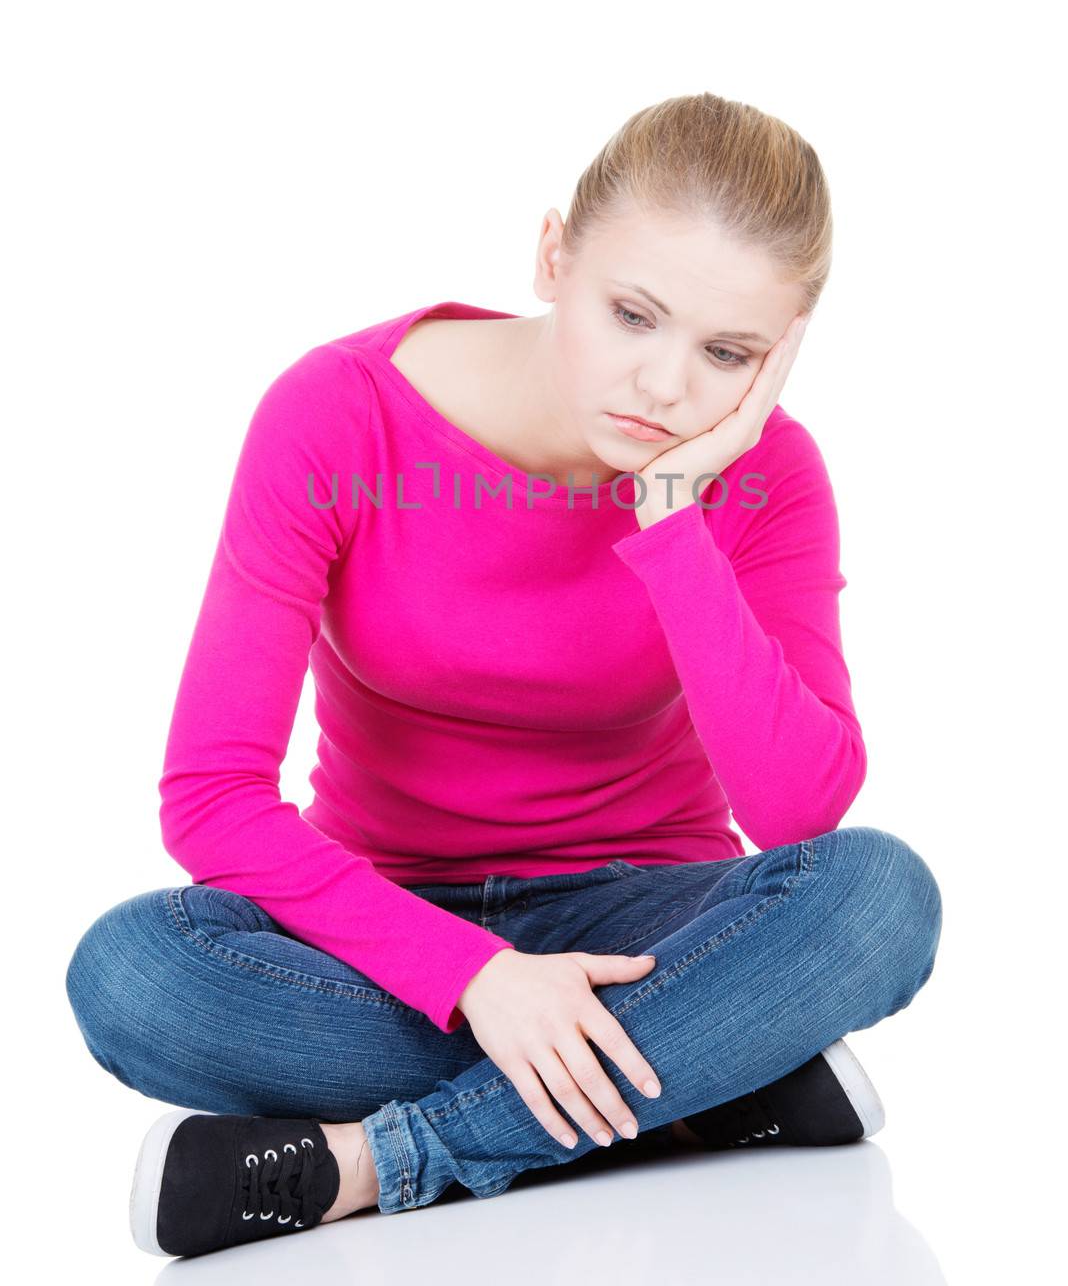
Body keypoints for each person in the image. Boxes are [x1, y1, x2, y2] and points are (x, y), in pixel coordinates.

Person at [64, 91, 943, 1258]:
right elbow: (211, 795)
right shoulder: (339, 416)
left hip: (648, 914)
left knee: (881, 897)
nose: (669, 387)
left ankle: (382, 1161)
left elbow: (797, 812)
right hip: (379, 920)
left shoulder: (767, 473)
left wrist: (675, 521)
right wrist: (473, 973)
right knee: (135, 975)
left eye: (726, 352)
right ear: (553, 254)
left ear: (781, 353)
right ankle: (703, 1080)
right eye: (634, 314)